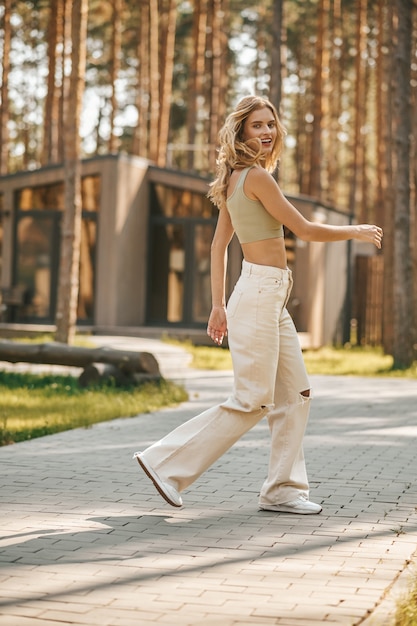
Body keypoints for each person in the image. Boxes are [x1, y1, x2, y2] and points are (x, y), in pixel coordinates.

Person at [133, 95, 383, 514]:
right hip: (259, 293)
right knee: (253, 398)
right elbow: (302, 228)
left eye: (271, 124)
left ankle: (282, 490)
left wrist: (219, 306)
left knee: (297, 394)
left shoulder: (236, 178)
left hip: (265, 295)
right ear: (241, 131)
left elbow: (218, 247)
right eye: (257, 126)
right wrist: (353, 230)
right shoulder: (255, 178)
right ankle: (165, 463)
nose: (266, 132)